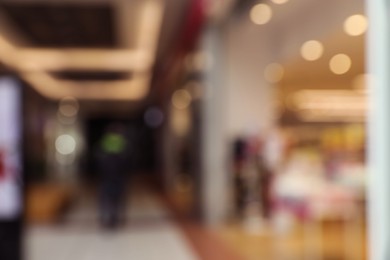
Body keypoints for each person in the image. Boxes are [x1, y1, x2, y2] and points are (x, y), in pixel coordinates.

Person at [96, 123, 129, 228]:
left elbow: (97, 158)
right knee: (118, 198)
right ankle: (115, 217)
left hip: (106, 175)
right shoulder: (123, 142)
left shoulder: (104, 142)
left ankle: (106, 217)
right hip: (119, 175)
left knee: (106, 197)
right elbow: (128, 159)